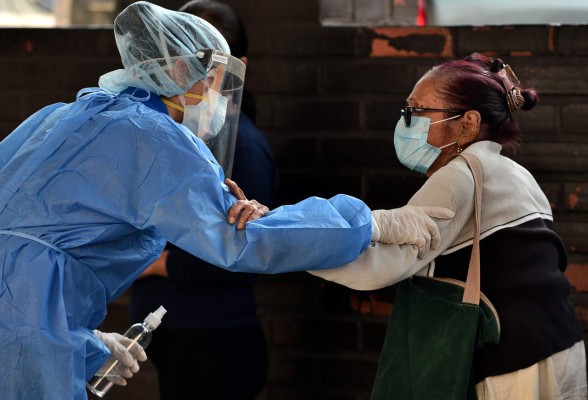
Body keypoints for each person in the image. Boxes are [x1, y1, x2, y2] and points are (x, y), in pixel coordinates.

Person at [0, 2, 452, 399]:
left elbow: (29, 253)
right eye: (215, 80)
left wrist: (82, 344)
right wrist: (368, 224)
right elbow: (239, 241)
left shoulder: (60, 115)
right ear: (181, 73)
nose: (217, 95)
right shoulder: (155, 138)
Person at [309, 53, 587, 399]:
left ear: (467, 124)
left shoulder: (462, 174)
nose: (405, 122)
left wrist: (288, 241)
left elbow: (384, 262)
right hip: (558, 346)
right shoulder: (516, 173)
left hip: (511, 366)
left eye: (416, 111)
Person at [129, 1, 276, 399]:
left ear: (235, 67)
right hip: (179, 332)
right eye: (180, 58)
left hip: (212, 338)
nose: (187, 73)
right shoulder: (176, 136)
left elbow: (245, 252)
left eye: (205, 62)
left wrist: (157, 263)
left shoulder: (240, 145)